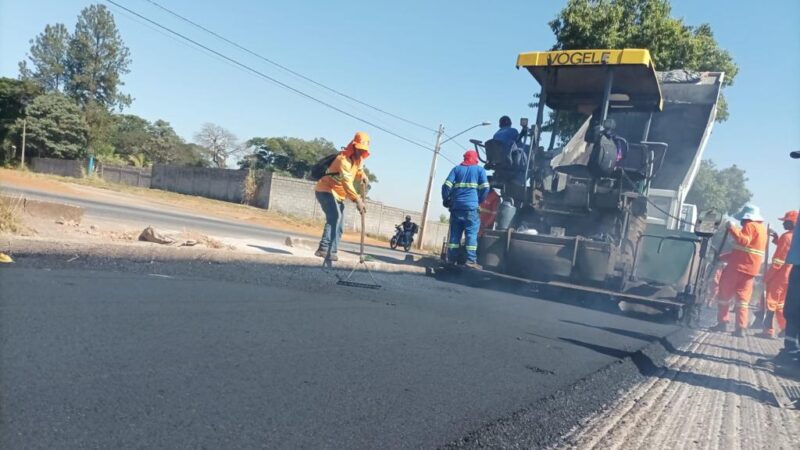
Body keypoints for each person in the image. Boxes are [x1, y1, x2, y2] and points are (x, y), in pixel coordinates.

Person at [710, 204, 768, 337]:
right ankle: (741, 328)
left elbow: (743, 241)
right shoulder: (762, 230)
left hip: (736, 269)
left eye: (742, 219)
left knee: (724, 296)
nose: (741, 222)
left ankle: (722, 322)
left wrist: (732, 228)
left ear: (746, 218)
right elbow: (744, 252)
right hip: (750, 271)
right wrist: (722, 257)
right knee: (743, 301)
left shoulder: (749, 226)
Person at [314, 131, 370, 261]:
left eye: (364, 150)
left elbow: (358, 172)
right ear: (354, 146)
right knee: (335, 217)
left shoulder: (358, 160)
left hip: (338, 196)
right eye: (359, 149)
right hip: (325, 190)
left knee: (340, 225)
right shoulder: (343, 160)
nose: (361, 152)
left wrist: (363, 176)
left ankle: (332, 251)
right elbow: (346, 182)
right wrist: (357, 200)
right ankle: (323, 249)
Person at [442, 149, 489, 268]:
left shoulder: (456, 169)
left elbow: (446, 185)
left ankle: (451, 260)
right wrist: (479, 200)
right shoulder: (479, 170)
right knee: (471, 234)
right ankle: (471, 261)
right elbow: (486, 188)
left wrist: (446, 199)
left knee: (454, 235)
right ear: (475, 159)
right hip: (471, 209)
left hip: (456, 208)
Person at [757, 211, 797, 339]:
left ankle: (768, 331)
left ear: (792, 222)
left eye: (786, 221)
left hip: (779, 275)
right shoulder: (795, 236)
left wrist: (768, 276)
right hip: (789, 275)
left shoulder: (786, 237)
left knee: (771, 302)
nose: (783, 223)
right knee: (780, 304)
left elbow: (779, 260)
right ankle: (784, 329)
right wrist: (776, 238)